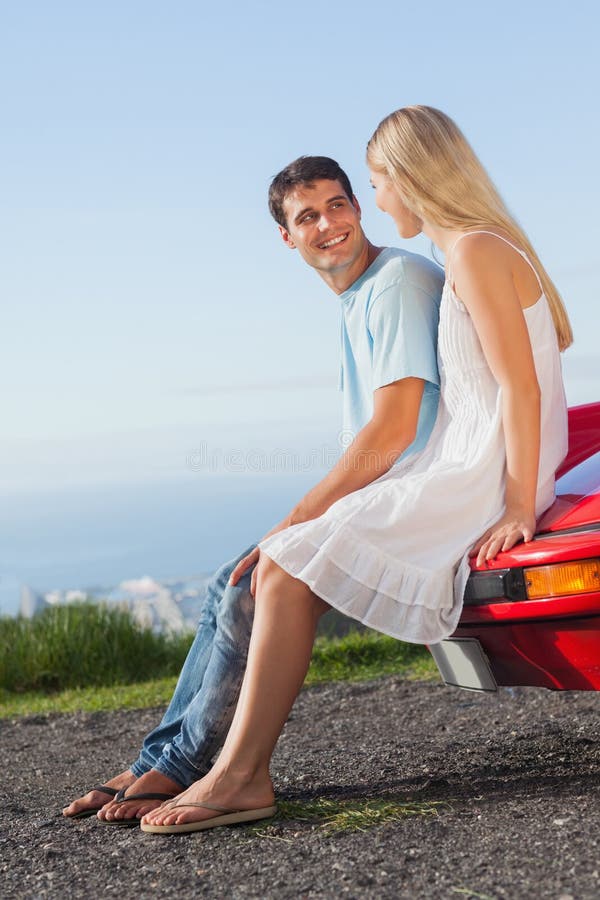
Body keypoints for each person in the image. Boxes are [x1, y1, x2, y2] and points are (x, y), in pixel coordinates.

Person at [139, 106, 571, 835]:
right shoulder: (467, 250)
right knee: (282, 564)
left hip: (476, 471)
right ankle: (230, 769)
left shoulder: (472, 251)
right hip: (461, 462)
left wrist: (518, 504)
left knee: (288, 561)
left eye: (373, 185)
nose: (375, 203)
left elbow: (522, 388)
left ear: (409, 177)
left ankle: (238, 775)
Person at [63, 154, 443, 824]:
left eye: (337, 205)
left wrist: (292, 522)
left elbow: (392, 430)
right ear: (286, 236)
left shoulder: (398, 283)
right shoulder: (362, 296)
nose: (327, 225)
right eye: (307, 216)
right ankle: (162, 757)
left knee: (253, 581)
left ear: (358, 208)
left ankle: (189, 769)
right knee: (226, 581)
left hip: (421, 497)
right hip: (391, 490)